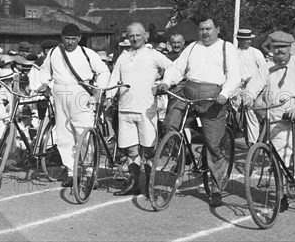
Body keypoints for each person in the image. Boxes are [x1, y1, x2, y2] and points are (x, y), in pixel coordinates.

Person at [242, 31, 295, 212]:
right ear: (271, 48)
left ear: (290, 48)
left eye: (283, 47)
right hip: (277, 117)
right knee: (279, 160)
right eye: (276, 47)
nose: (279, 51)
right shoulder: (266, 67)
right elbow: (253, 86)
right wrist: (248, 98)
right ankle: (281, 197)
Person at [157, 17, 240, 207]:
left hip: (213, 99)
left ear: (217, 29)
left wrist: (225, 94)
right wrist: (166, 82)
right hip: (189, 93)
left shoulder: (227, 48)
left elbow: (235, 75)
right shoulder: (193, 47)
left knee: (213, 144)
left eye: (208, 29)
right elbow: (177, 68)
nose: (205, 32)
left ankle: (217, 188)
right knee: (169, 124)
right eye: (202, 29)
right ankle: (183, 151)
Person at [38, 23, 110, 187]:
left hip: (80, 92)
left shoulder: (87, 53)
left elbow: (104, 71)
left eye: (73, 39)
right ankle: (71, 172)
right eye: (67, 38)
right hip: (59, 93)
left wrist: (99, 89)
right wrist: (44, 83)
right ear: (61, 38)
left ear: (79, 38)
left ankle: (90, 171)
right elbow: (44, 70)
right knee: (64, 134)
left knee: (84, 132)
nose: (70, 42)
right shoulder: (55, 52)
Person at [106, 22, 172, 196]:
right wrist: (108, 97)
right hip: (125, 110)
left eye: (137, 35)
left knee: (149, 149)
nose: (134, 38)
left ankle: (150, 186)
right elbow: (114, 79)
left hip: (146, 109)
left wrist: (164, 82)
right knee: (131, 149)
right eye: (131, 35)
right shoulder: (123, 56)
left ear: (145, 36)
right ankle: (134, 183)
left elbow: (173, 68)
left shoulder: (153, 54)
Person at [235, 29, 265, 145]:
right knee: (235, 110)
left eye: (249, 39)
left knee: (251, 111)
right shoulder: (234, 53)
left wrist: (252, 79)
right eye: (245, 39)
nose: (248, 42)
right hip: (238, 87)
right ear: (239, 40)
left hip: (254, 88)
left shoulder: (256, 53)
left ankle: (253, 142)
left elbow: (264, 70)